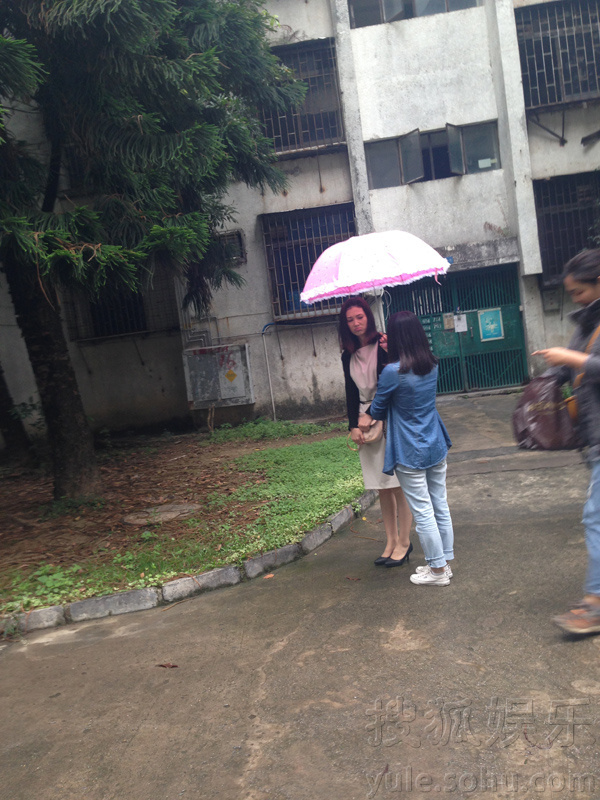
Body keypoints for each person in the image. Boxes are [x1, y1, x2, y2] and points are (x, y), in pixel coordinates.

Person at [533, 248, 600, 635]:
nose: (573, 299)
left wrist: (571, 360)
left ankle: (594, 602)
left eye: (578, 292)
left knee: (595, 515)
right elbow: (578, 361)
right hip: (593, 434)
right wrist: (555, 369)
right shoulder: (588, 322)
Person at [364, 311, 454, 586]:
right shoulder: (432, 363)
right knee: (439, 503)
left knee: (423, 511)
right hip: (435, 442)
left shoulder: (392, 371)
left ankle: (437, 571)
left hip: (409, 448)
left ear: (397, 337)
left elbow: (378, 408)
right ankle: (444, 562)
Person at [340, 297, 413, 567]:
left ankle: (405, 542)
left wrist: (391, 351)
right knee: (381, 487)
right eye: (350, 319)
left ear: (368, 318)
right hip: (362, 420)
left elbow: (397, 380)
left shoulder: (384, 344)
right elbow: (350, 392)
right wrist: (352, 426)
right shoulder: (347, 354)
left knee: (398, 484)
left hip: (388, 418)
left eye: (360, 317)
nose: (356, 323)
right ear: (344, 324)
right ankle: (390, 541)